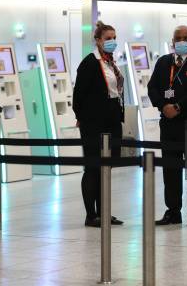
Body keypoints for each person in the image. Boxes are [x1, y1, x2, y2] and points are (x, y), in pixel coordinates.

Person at [147, 25, 187, 228]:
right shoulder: (163, 62)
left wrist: (178, 106)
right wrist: (162, 105)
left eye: (186, 38)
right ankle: (173, 212)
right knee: (170, 171)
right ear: (172, 41)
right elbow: (152, 87)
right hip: (169, 125)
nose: (181, 41)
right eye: (178, 38)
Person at [73, 21, 125, 228]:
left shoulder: (110, 62)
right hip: (94, 122)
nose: (111, 41)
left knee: (107, 167)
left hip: (112, 119)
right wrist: (83, 116)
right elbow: (79, 95)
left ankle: (104, 212)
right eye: (107, 38)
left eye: (114, 38)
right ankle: (91, 214)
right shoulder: (90, 63)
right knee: (93, 168)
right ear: (98, 41)